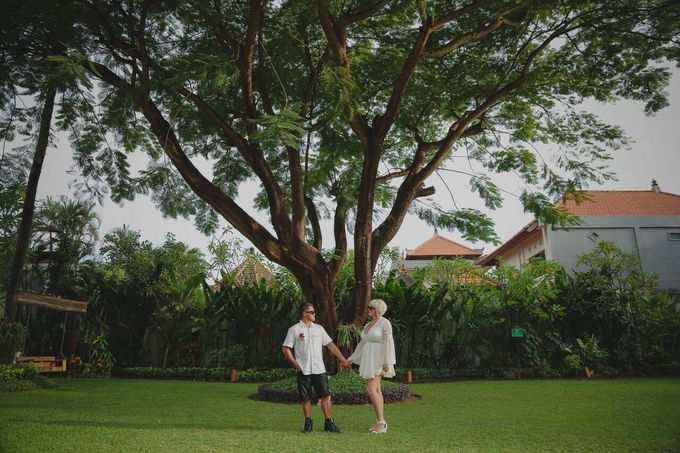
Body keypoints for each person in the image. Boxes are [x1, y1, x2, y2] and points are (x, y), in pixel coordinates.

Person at [282, 302, 350, 434]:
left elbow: (330, 345)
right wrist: (295, 364)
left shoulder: (319, 329)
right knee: (305, 397)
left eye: (314, 312)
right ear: (304, 314)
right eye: (312, 312)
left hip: (319, 369)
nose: (314, 314)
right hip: (304, 369)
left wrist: (343, 360)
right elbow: (285, 349)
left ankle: (328, 423)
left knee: (325, 395)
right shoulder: (294, 329)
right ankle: (308, 423)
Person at [347, 298, 396, 434]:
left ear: (378, 310)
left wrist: (387, 361)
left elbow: (388, 342)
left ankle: (381, 422)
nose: (369, 310)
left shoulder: (384, 323)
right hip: (368, 359)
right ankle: (380, 422)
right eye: (368, 308)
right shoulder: (369, 324)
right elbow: (362, 343)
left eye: (371, 308)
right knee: (377, 390)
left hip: (379, 360)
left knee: (371, 390)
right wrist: (352, 358)